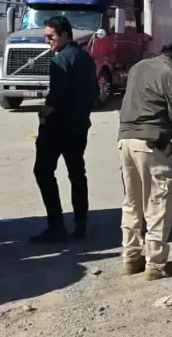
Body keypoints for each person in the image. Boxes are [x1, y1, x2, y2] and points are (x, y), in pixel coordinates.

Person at [116, 39, 172, 280]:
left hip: (125, 142)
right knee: (158, 203)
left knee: (132, 203)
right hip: (153, 145)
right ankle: (154, 264)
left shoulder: (139, 66)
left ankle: (130, 259)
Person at [30, 16, 98, 244]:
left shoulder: (60, 60)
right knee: (77, 173)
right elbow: (95, 93)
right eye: (46, 37)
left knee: (43, 171)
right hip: (79, 126)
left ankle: (56, 225)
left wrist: (43, 114)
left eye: (51, 37)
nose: (48, 41)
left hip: (57, 128)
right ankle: (81, 224)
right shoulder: (86, 58)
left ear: (66, 35)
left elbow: (55, 97)